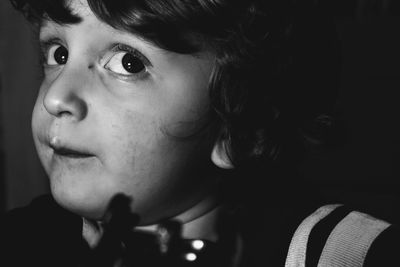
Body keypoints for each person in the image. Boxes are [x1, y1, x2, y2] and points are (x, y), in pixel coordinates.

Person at [0, 0, 398, 266]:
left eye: (127, 62)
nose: (56, 97)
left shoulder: (342, 253)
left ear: (239, 124)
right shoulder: (21, 242)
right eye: (58, 54)